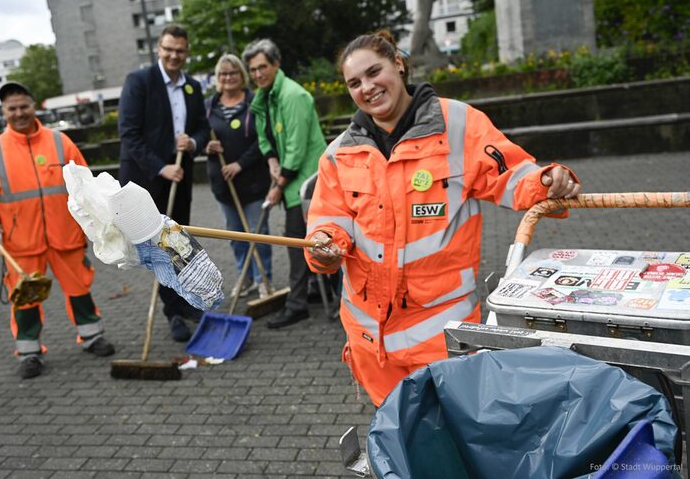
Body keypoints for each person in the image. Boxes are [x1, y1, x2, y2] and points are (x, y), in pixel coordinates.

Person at [305, 30, 581, 406]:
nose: (367, 87)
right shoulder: (339, 154)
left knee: (453, 439)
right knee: (399, 440)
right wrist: (324, 246)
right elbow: (329, 221)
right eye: (354, 82)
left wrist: (548, 181)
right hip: (371, 342)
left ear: (398, 64)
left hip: (443, 337)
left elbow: (513, 177)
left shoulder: (458, 124)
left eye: (374, 72)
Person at [0, 82, 115, 380]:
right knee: (25, 298)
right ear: (4, 112)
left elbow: (85, 185)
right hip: (20, 242)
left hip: (66, 235)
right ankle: (29, 353)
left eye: (23, 106)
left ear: (34, 106)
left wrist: (96, 221)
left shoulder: (60, 142)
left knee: (79, 288)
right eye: (12, 109)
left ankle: (91, 337)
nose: (19, 113)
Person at [117, 24, 210, 342]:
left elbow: (202, 129)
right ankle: (174, 312)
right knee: (158, 248)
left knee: (178, 244)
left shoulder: (192, 87)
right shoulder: (139, 81)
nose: (174, 55)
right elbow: (129, 133)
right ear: (158, 48)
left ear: (186, 52)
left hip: (178, 180)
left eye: (180, 50)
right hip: (145, 183)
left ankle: (183, 303)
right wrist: (161, 168)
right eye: (168, 48)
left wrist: (193, 144)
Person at [242, 39, 327, 329]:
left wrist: (278, 184)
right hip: (289, 178)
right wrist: (270, 162)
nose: (257, 74)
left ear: (276, 65)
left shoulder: (292, 95)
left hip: (308, 181)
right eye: (252, 70)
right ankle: (314, 289)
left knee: (296, 242)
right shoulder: (264, 97)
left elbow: (296, 147)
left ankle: (297, 304)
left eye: (262, 67)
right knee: (303, 239)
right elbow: (264, 136)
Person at [204, 54, 273, 298]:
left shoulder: (254, 102)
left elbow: (263, 139)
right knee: (235, 235)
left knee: (258, 234)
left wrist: (240, 164)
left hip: (253, 181)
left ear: (241, 75)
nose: (228, 77)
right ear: (217, 78)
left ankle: (263, 279)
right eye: (223, 74)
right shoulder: (209, 105)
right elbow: (200, 134)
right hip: (223, 185)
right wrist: (206, 146)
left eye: (233, 72)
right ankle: (245, 279)